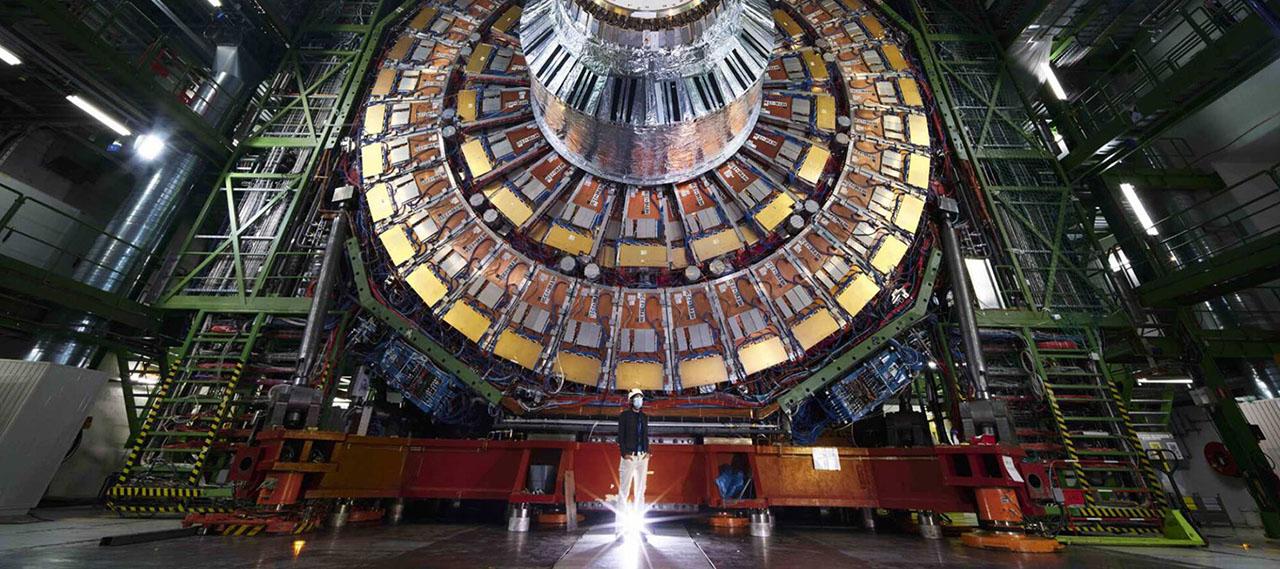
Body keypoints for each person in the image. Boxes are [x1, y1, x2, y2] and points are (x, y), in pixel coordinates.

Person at [616, 388, 650, 521]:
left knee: (640, 492)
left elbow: (645, 436)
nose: (639, 400)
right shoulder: (624, 416)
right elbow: (621, 436)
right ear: (631, 401)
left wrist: (648, 452)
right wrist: (624, 454)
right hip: (629, 457)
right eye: (636, 398)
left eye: (641, 398)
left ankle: (639, 524)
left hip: (642, 457)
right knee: (624, 492)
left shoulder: (644, 417)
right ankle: (619, 528)